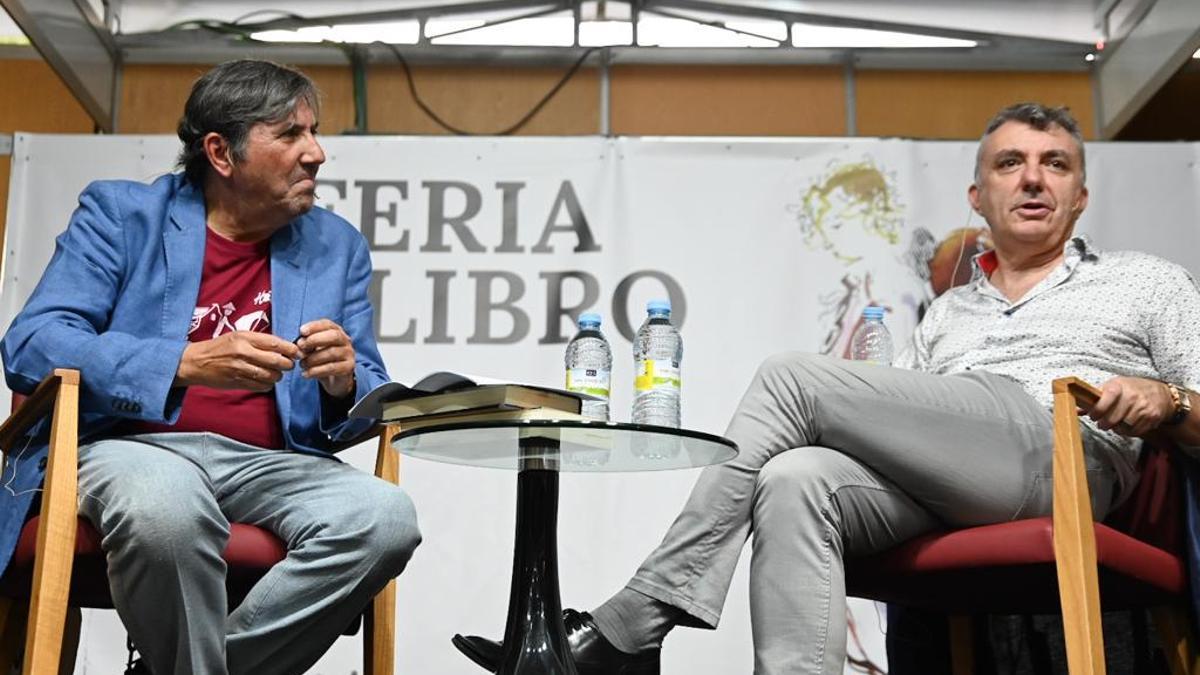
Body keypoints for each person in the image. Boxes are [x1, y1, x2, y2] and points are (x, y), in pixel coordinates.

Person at [453, 102, 1200, 674]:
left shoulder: (1146, 281)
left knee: (791, 377)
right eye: (1010, 163)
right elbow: (905, 429)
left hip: (1059, 451)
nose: (1033, 177)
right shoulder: (947, 312)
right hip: (962, 479)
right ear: (977, 196)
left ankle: (634, 617)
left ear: (1081, 195)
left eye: (1055, 164)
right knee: (793, 476)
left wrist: (1168, 401)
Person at [0, 60, 421, 675]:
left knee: (386, 518)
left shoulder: (336, 245)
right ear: (221, 152)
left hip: (271, 464)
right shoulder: (122, 216)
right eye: (291, 135)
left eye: (315, 132)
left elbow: (367, 391)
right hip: (126, 444)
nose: (318, 154)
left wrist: (344, 378)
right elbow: (34, 343)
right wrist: (182, 362)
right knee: (167, 507)